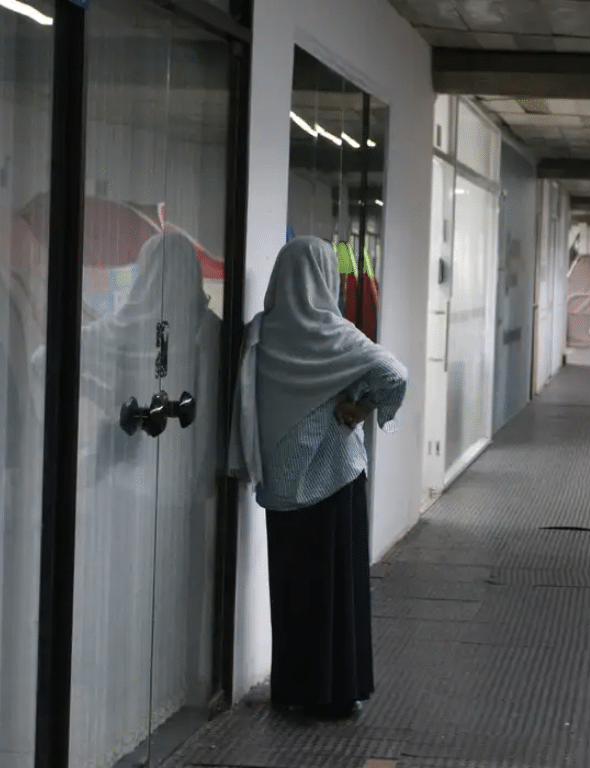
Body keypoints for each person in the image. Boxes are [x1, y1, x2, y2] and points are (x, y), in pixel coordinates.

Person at [228, 236, 408, 720]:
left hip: (283, 485)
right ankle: (338, 689)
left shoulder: (261, 333)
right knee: (338, 588)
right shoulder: (336, 334)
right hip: (336, 477)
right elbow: (395, 374)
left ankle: (294, 686)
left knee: (293, 587)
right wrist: (361, 407)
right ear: (327, 277)